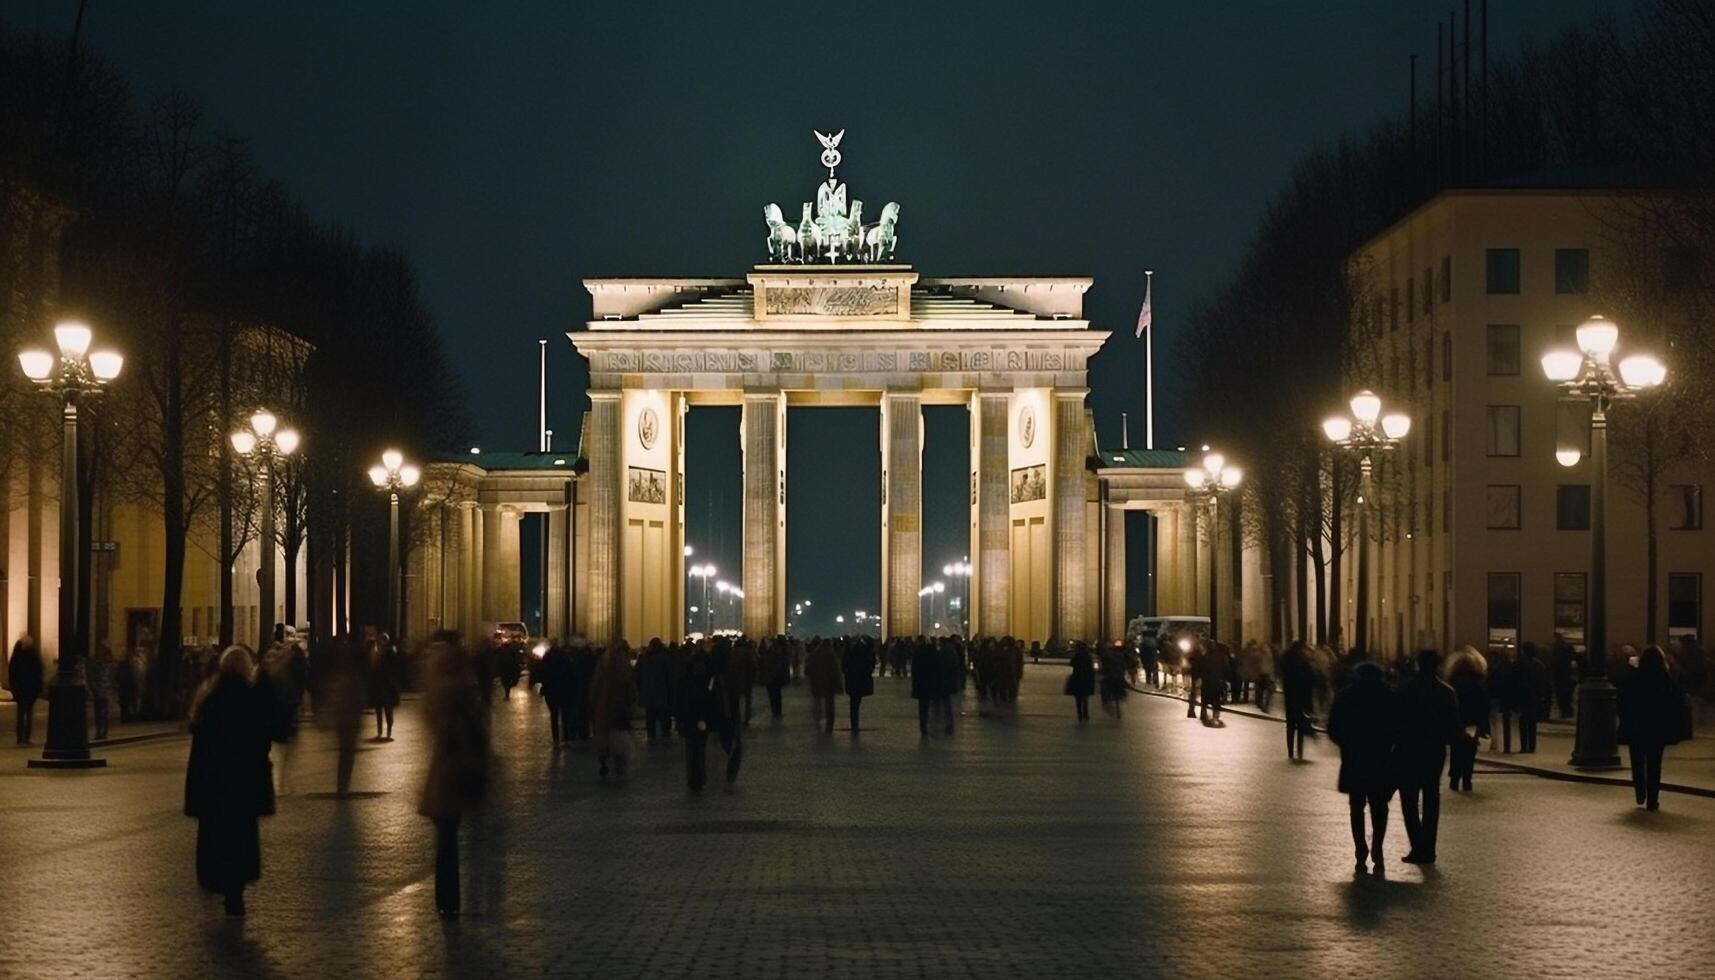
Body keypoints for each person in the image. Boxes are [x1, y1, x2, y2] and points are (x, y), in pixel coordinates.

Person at [183, 646, 274, 916]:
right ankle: (235, 893)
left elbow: (199, 746)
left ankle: (216, 881)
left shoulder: (208, 698)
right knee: (240, 838)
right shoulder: (249, 698)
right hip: (242, 784)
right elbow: (263, 738)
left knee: (215, 836)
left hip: (214, 784)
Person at [417, 633, 489, 917]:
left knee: (446, 841)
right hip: (454, 779)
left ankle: (448, 899)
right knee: (450, 840)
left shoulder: (442, 700)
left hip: (446, 780)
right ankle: (451, 899)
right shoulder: (461, 701)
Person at [1326, 661, 1397, 875]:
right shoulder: (1389, 696)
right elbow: (1398, 726)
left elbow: (1333, 728)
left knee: (1356, 807)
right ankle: (1377, 847)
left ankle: (1360, 850)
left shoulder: (1345, 696)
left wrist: (1346, 743)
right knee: (1379, 807)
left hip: (1354, 757)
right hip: (1380, 758)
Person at [1394, 649, 1461, 865]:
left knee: (1409, 799)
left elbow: (1395, 720)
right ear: (1437, 667)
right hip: (1434, 749)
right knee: (1432, 797)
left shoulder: (1404, 689)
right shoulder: (1446, 691)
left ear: (1418, 665)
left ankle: (1417, 845)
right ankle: (1429, 847)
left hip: (1408, 748)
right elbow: (1453, 724)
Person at [1617, 645, 1688, 811]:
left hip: (1636, 727)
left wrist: (1625, 718)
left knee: (1637, 761)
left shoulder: (1634, 678)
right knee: (1655, 764)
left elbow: (1622, 701)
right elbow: (1676, 703)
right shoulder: (1665, 679)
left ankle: (1640, 790)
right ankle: (1652, 799)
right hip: (1657, 728)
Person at [676, 649, 741, 790]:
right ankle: (698, 777)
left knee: (696, 749)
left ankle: (696, 777)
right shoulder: (709, 681)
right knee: (697, 749)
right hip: (696, 719)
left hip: (696, 719)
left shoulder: (690, 680)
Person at [1444, 646, 1489, 792]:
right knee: (1469, 751)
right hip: (1472, 723)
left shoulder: (1451, 683)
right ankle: (1467, 779)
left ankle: (1454, 777)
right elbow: (1484, 706)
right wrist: (1483, 726)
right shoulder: (1479, 684)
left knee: (1456, 750)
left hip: (1457, 722)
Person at [589, 643, 636, 778]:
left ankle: (604, 762)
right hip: (618, 710)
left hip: (603, 709)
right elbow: (631, 691)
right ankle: (620, 766)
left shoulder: (602, 668)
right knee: (619, 739)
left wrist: (593, 705)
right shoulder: (625, 670)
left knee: (604, 740)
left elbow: (594, 688)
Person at [1280, 642, 1316, 760]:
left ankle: (1290, 751)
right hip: (1301, 697)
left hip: (1290, 697)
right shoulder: (1303, 662)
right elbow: (1309, 679)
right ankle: (1299, 751)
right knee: (1300, 725)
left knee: (1290, 725)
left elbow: (1284, 679)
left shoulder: (1287, 662)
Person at [536, 642, 576, 746]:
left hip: (551, 691)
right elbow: (571, 675)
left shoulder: (547, 659)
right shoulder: (565, 659)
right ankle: (566, 737)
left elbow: (542, 674)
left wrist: (543, 687)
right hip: (564, 690)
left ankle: (556, 738)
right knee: (565, 716)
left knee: (554, 715)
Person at [632, 640, 673, 741]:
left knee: (650, 716)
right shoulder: (666, 659)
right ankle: (665, 735)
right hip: (663, 693)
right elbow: (671, 677)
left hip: (648, 693)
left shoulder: (644, 659)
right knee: (664, 716)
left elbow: (636, 676)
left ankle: (651, 736)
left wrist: (640, 688)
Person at [1517, 643, 1552, 754]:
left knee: (1523, 722)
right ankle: (1532, 746)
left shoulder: (1522, 664)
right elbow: (1544, 682)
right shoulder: (1539, 665)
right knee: (1532, 723)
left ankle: (1524, 746)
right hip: (1535, 697)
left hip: (1524, 696)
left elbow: (1518, 680)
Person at [8, 636, 43, 745]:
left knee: (21, 713)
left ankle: (20, 737)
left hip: (21, 690)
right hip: (29, 690)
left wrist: (14, 689)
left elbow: (12, 674)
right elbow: (38, 672)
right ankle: (26, 737)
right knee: (28, 713)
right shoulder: (33, 656)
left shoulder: (17, 657)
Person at [367, 631, 402, 740]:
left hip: (386, 685)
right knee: (380, 710)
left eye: (383, 640)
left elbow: (392, 667)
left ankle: (387, 732)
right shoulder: (377, 652)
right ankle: (381, 732)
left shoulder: (389, 652)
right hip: (380, 685)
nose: (381, 642)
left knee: (387, 709)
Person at [804, 639, 844, 735]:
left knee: (817, 701)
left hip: (817, 683)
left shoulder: (815, 655)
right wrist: (839, 685)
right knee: (830, 705)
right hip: (830, 684)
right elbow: (836, 672)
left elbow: (808, 669)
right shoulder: (832, 656)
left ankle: (817, 719)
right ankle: (830, 725)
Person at [1490, 646, 1520, 753]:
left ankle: (1498, 743)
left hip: (1498, 697)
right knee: (1508, 722)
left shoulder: (1497, 668)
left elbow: (1492, 682)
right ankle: (1507, 745)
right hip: (1509, 696)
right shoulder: (1513, 668)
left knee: (1496, 720)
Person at [842, 638, 876, 733]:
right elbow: (871, 664)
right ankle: (855, 723)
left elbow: (844, 665)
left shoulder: (850, 652)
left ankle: (854, 723)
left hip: (852, 680)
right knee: (857, 701)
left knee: (853, 703)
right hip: (862, 680)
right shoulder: (866, 653)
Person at [87, 642, 117, 740]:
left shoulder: (104, 663)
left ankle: (102, 732)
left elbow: (113, 677)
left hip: (104, 690)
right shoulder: (105, 663)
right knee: (101, 712)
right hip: (102, 690)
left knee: (102, 713)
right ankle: (101, 732)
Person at [727, 636, 758, 728]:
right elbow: (753, 666)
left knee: (735, 701)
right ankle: (746, 718)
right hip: (746, 679)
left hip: (734, 680)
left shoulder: (731, 653)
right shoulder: (748, 653)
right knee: (748, 700)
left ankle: (735, 718)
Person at [1066, 644, 1096, 722]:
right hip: (1086, 679)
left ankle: (1079, 714)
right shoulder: (1088, 657)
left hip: (1077, 678)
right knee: (1085, 698)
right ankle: (1086, 714)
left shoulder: (1076, 656)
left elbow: (1071, 664)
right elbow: (1091, 668)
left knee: (1078, 698)